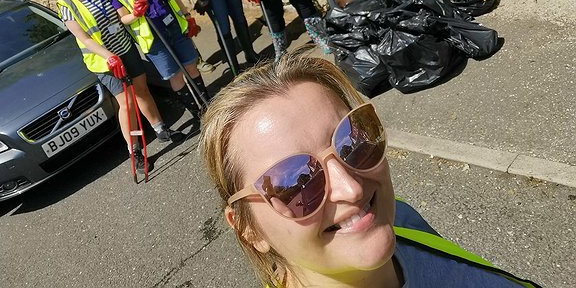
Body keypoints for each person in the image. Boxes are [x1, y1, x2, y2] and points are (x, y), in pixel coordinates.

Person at [200, 49, 543, 288]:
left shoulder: (399, 221)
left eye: (352, 139)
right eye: (294, 184)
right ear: (249, 229)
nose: (353, 189)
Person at [56, 0, 178, 173]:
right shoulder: (66, 3)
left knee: (142, 90)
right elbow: (83, 38)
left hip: (125, 48)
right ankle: (136, 152)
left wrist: (136, 13)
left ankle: (161, 129)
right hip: (104, 61)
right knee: (127, 103)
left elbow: (121, 17)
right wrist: (108, 56)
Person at [106, 0, 208, 119]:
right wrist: (136, 13)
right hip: (153, 38)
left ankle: (208, 104)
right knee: (175, 76)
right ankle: (197, 113)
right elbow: (123, 18)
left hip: (173, 26)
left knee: (191, 67)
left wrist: (187, 16)